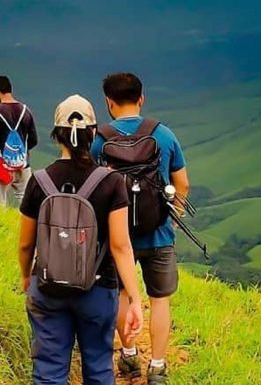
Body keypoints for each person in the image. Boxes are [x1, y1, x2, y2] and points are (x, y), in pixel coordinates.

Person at [18, 95, 143, 385]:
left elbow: (26, 243)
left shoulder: (39, 181)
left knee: (48, 370)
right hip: (97, 290)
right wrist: (135, 299)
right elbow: (121, 246)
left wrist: (27, 276)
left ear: (57, 134)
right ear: (93, 133)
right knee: (99, 367)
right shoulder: (111, 182)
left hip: (47, 286)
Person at [92, 73, 189, 384]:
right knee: (160, 300)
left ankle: (130, 355)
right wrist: (171, 215)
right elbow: (182, 183)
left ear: (108, 102)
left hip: (117, 238)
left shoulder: (99, 141)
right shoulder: (164, 135)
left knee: (122, 294)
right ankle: (158, 366)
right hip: (159, 234)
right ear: (142, 98)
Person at [0, 75, 38, 206]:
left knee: (1, 204)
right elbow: (33, 139)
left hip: (2, 167)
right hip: (23, 165)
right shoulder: (26, 111)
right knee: (28, 205)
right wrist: (19, 153)